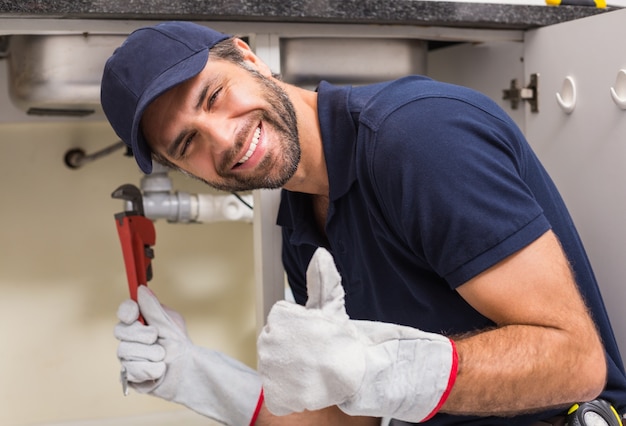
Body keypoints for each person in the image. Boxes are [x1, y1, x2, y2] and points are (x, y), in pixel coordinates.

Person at [101, 21, 626, 426]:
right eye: (187, 143)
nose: (223, 138)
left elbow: (576, 362)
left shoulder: (418, 139)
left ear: (248, 58)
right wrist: (203, 378)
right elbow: (348, 414)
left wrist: (383, 371)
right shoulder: (303, 224)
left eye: (213, 97)